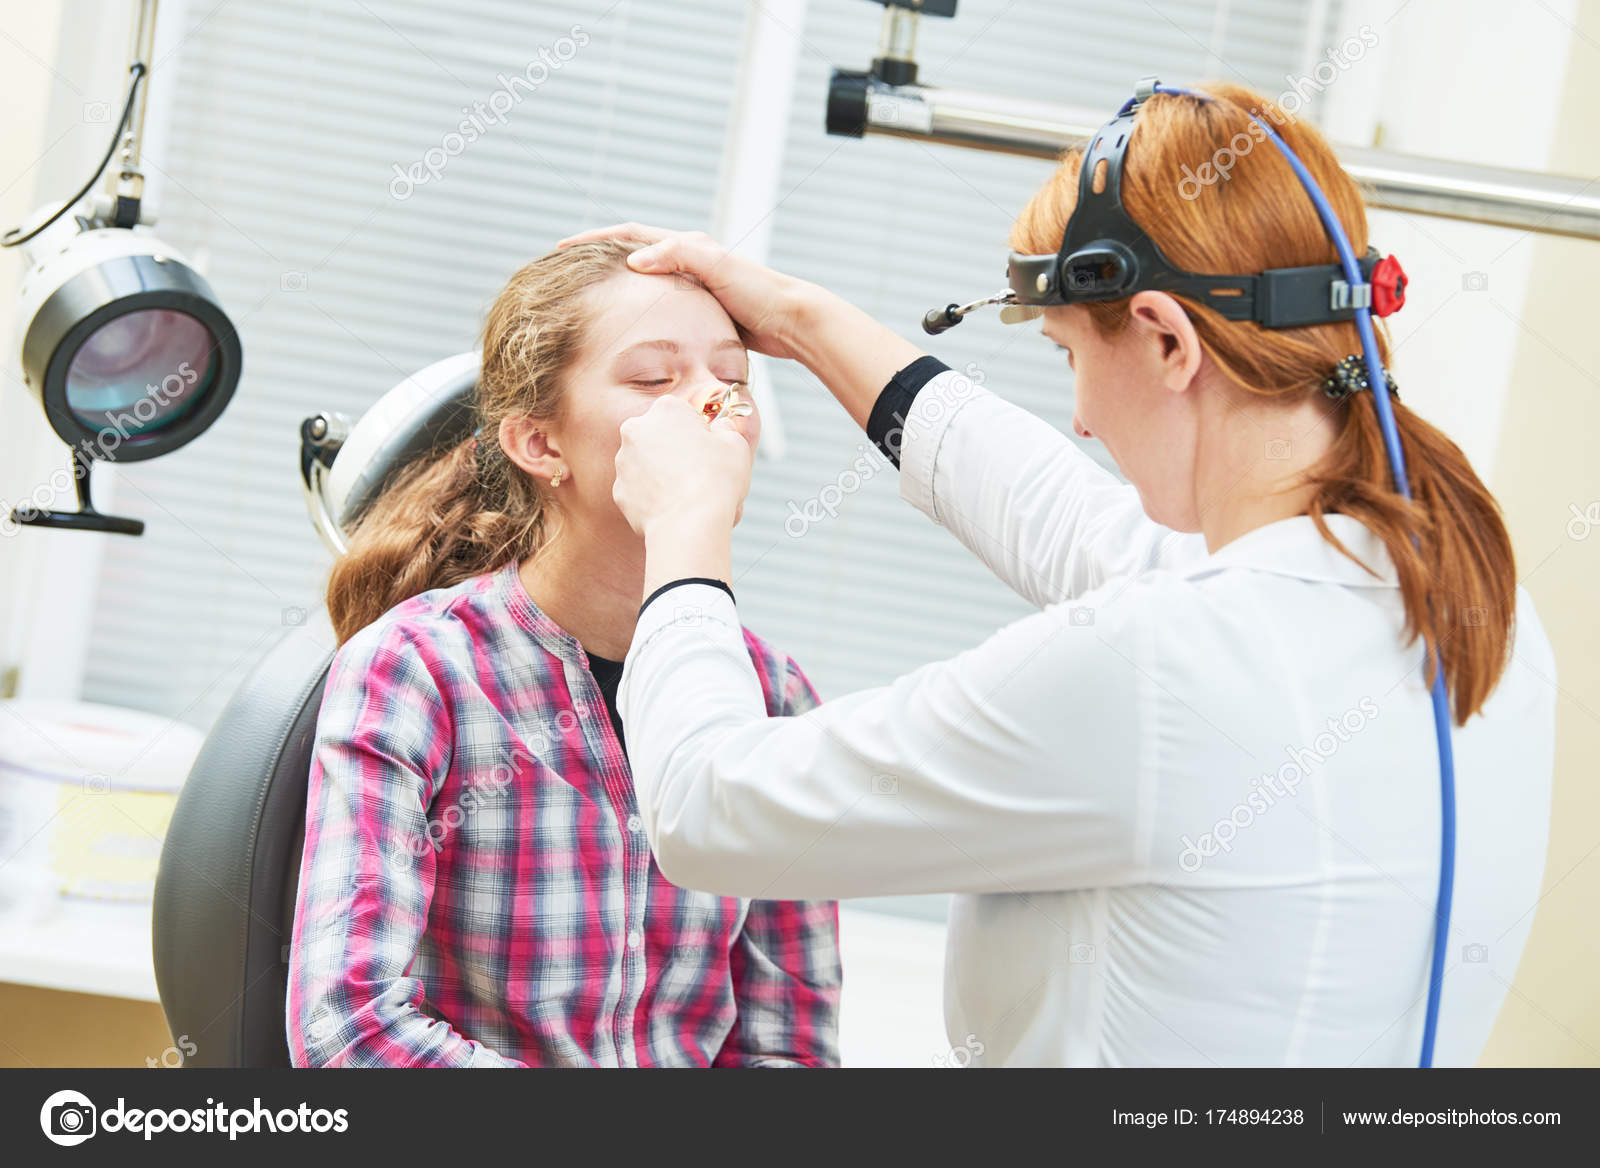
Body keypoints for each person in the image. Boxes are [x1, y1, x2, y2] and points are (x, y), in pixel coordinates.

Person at [566, 83, 1557, 1067]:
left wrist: (684, 524)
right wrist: (801, 320)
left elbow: (706, 807)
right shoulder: (1466, 599)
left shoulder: (1163, 670)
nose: (1079, 419)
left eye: (1068, 355)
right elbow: (1065, 518)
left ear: (1168, 341)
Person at [286, 240, 840, 1068]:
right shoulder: (418, 670)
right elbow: (349, 1032)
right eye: (653, 378)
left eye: (734, 376)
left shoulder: (777, 698)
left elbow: (789, 1049)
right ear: (540, 444)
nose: (716, 403)